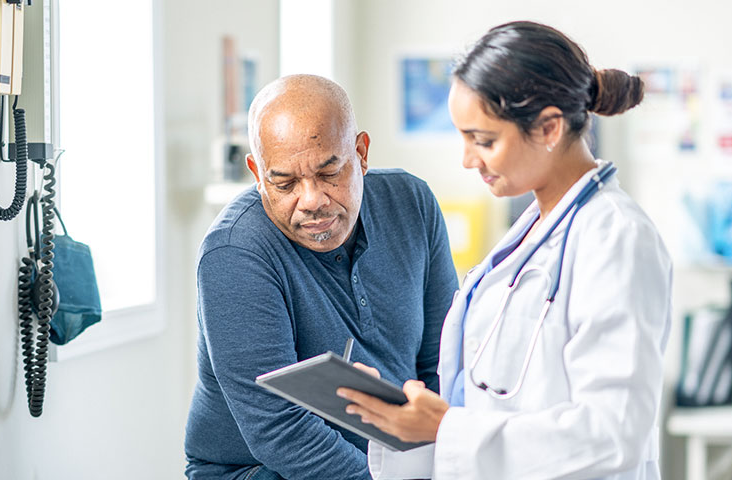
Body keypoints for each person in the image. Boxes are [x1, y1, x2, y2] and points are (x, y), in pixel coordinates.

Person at [339, 21, 673, 480]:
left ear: (549, 127)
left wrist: (447, 429)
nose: (468, 159)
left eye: (485, 140)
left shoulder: (616, 237)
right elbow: (484, 406)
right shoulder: (527, 236)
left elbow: (613, 431)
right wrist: (410, 423)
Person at [184, 74, 458, 480]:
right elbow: (279, 427)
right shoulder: (236, 252)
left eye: (330, 173)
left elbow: (444, 363)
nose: (312, 201)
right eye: (285, 182)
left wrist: (447, 460)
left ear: (361, 153)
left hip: (393, 461)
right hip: (259, 469)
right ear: (257, 174)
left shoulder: (412, 204)